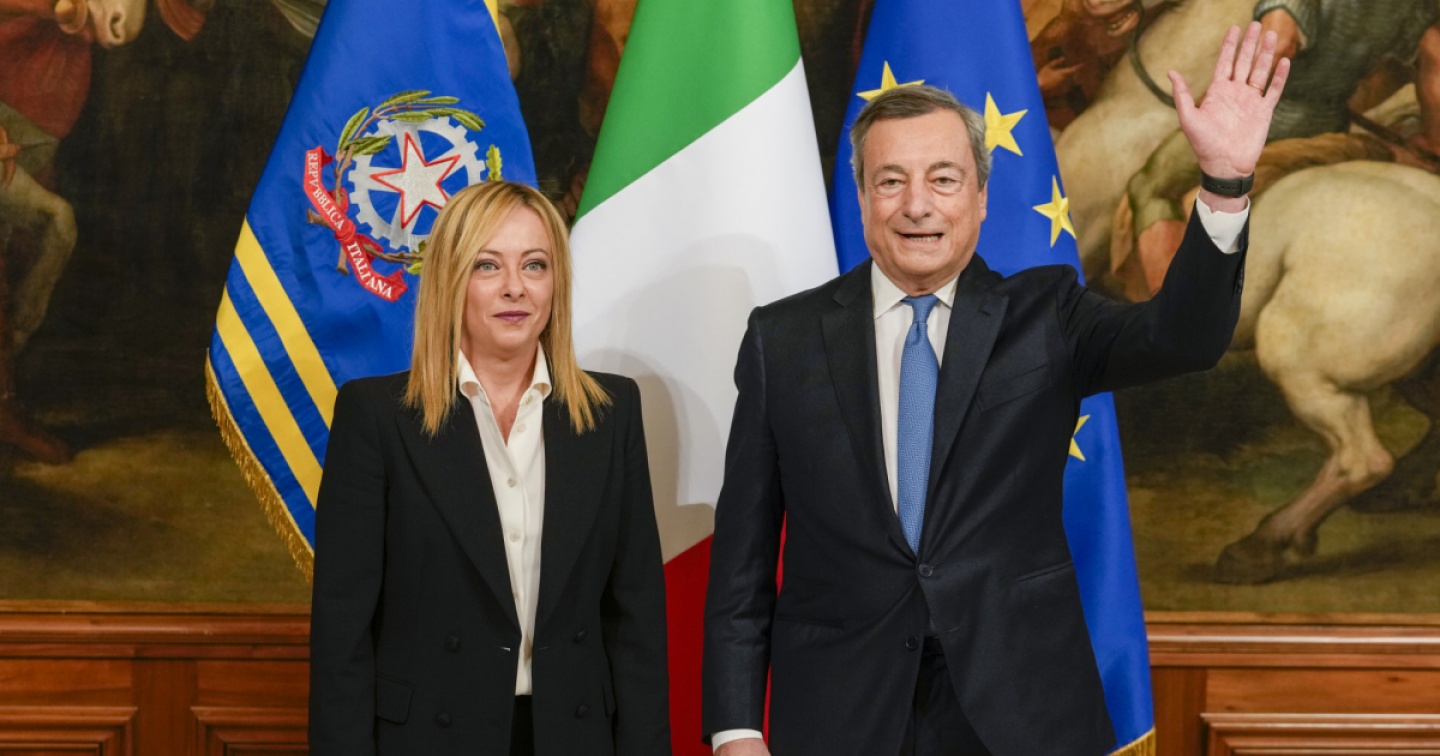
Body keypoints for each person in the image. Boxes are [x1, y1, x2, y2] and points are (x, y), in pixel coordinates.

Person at [702, 23, 1287, 756]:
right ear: (862, 197)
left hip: (1023, 718)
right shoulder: (781, 340)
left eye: (944, 180)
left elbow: (1184, 338)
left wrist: (1224, 184)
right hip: (839, 719)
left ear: (980, 197)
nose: (917, 205)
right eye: (891, 181)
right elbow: (744, 562)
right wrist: (735, 730)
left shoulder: (1048, 316)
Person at [308, 180, 672, 756]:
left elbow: (637, 623)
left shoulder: (611, 412)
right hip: (428, 740)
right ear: (450, 280)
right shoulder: (376, 417)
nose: (514, 287)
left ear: (556, 283)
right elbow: (341, 634)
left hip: (574, 736)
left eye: (534, 265)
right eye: (487, 265)